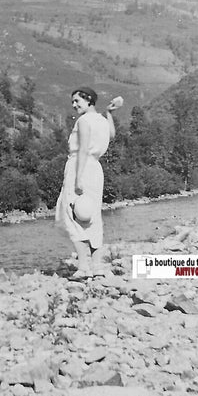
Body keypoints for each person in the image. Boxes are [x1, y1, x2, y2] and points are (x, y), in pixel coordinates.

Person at [55, 87, 121, 278]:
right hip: (95, 170)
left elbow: (83, 149)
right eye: (73, 102)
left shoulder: (84, 120)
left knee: (72, 215)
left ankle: (84, 266)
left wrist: (77, 179)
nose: (74, 105)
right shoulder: (101, 120)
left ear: (89, 100)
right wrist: (109, 113)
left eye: (78, 101)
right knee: (92, 216)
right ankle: (97, 266)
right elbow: (112, 135)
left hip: (80, 166)